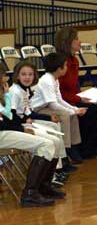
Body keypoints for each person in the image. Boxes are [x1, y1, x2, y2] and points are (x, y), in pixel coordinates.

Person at [0, 64, 65, 207]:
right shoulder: (14, 90)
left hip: (5, 131)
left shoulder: (6, 92)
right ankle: (30, 194)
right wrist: (21, 129)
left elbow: (7, 117)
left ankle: (41, 187)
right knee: (46, 144)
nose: (6, 78)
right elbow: (6, 121)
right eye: (4, 75)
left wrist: (6, 95)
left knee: (53, 141)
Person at [10, 61, 69, 184]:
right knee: (50, 139)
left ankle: (58, 166)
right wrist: (25, 121)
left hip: (24, 122)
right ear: (17, 76)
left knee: (54, 125)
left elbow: (29, 112)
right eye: (24, 74)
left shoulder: (25, 90)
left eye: (30, 74)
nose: (27, 77)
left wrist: (48, 118)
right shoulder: (15, 91)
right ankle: (49, 175)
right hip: (18, 126)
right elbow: (12, 115)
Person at [55, 27, 97, 159]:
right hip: (63, 101)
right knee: (91, 111)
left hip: (73, 99)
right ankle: (81, 148)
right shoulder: (60, 62)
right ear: (68, 41)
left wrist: (82, 97)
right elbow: (58, 91)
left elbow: (74, 87)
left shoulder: (74, 61)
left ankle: (90, 150)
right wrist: (79, 100)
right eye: (76, 38)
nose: (79, 41)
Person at [32, 53, 87, 164]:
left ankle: (73, 146)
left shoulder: (54, 79)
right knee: (64, 115)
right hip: (37, 110)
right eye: (65, 65)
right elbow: (53, 104)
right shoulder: (47, 80)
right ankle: (65, 152)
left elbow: (59, 100)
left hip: (46, 106)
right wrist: (71, 111)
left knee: (72, 115)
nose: (67, 67)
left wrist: (74, 109)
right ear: (59, 68)